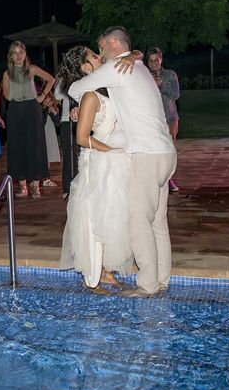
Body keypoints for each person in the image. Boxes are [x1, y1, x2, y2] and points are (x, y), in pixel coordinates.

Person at [68, 26, 177, 296]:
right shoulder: (137, 66)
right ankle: (162, 279)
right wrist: (134, 54)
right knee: (157, 222)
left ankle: (148, 285)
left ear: (113, 42)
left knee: (139, 222)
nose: (100, 52)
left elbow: (75, 87)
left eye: (101, 46)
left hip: (147, 155)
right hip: (167, 153)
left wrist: (80, 101)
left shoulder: (117, 67)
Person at [58, 47, 134, 291]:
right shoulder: (90, 96)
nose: (98, 56)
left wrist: (134, 55)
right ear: (84, 67)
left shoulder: (104, 91)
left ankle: (106, 271)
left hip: (113, 161)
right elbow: (81, 138)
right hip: (99, 162)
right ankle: (92, 275)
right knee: (94, 218)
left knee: (112, 217)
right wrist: (110, 151)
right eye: (92, 55)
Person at [1, 41, 55, 199]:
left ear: (25, 54)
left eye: (21, 52)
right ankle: (23, 186)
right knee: (17, 147)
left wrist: (42, 96)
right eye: (15, 53)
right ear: (10, 56)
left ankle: (35, 186)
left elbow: (51, 79)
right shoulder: (7, 74)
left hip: (32, 109)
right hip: (16, 110)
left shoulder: (32, 69)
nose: (18, 56)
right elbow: (7, 96)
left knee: (35, 145)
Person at [147, 47, 180, 193]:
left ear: (161, 59)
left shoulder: (170, 75)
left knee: (170, 150)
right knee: (153, 150)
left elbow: (175, 95)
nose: (154, 63)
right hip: (151, 119)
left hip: (170, 117)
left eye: (156, 59)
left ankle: (169, 180)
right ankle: (155, 179)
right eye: (151, 60)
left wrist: (162, 86)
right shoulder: (144, 76)